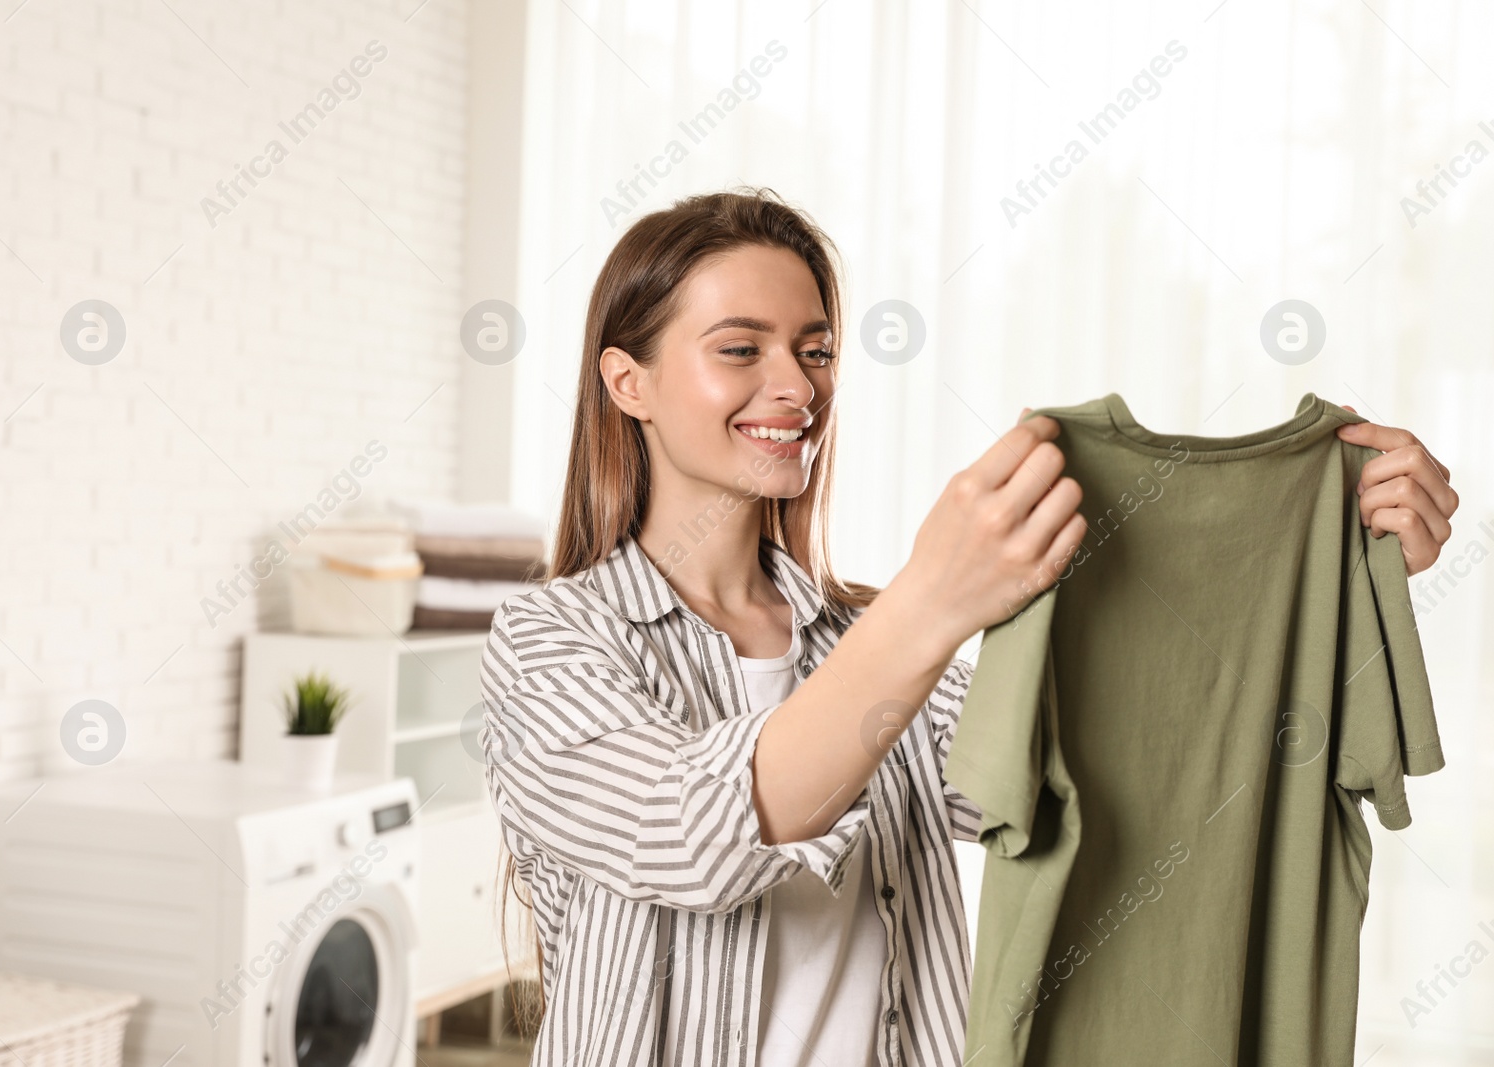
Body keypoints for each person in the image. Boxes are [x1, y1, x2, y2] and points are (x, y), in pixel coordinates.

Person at [476, 187, 1458, 1067]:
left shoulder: (869, 646)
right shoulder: (547, 642)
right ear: (627, 382)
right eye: (741, 348)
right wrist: (932, 601)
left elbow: (1134, 764)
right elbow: (684, 833)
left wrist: (1340, 565)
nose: (798, 386)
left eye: (814, 350)